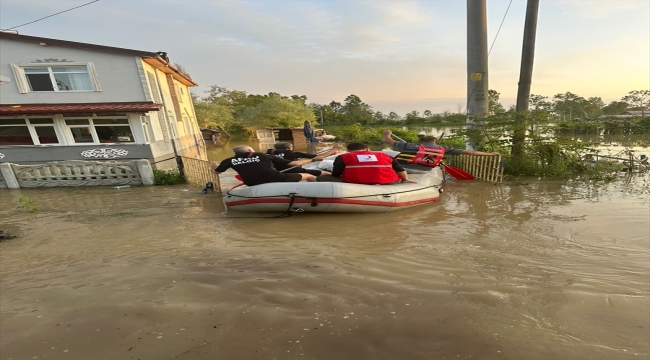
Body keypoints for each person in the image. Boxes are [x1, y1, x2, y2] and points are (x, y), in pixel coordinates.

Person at [381, 129, 499, 167]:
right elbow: (471, 152)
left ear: (420, 142)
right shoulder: (443, 149)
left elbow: (386, 140)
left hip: (405, 169)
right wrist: (491, 154)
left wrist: (387, 133)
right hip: (427, 170)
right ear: (435, 142)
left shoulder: (409, 145)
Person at [210, 145, 317, 186]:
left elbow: (216, 173)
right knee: (308, 175)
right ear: (249, 150)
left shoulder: (229, 160)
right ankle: (315, 190)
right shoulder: (264, 156)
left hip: (251, 183)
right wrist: (312, 159)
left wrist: (214, 167)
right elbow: (297, 163)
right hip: (277, 178)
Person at [319, 142, 416, 185]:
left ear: (348, 150)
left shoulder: (343, 157)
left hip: (354, 182)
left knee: (321, 177)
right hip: (388, 182)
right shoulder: (385, 155)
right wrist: (406, 179)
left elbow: (336, 174)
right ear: (367, 149)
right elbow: (400, 169)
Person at [265, 142, 342, 176]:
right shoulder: (293, 153)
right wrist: (334, 149)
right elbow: (318, 157)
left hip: (276, 172)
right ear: (289, 148)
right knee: (325, 172)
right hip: (293, 171)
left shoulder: (269, 153)